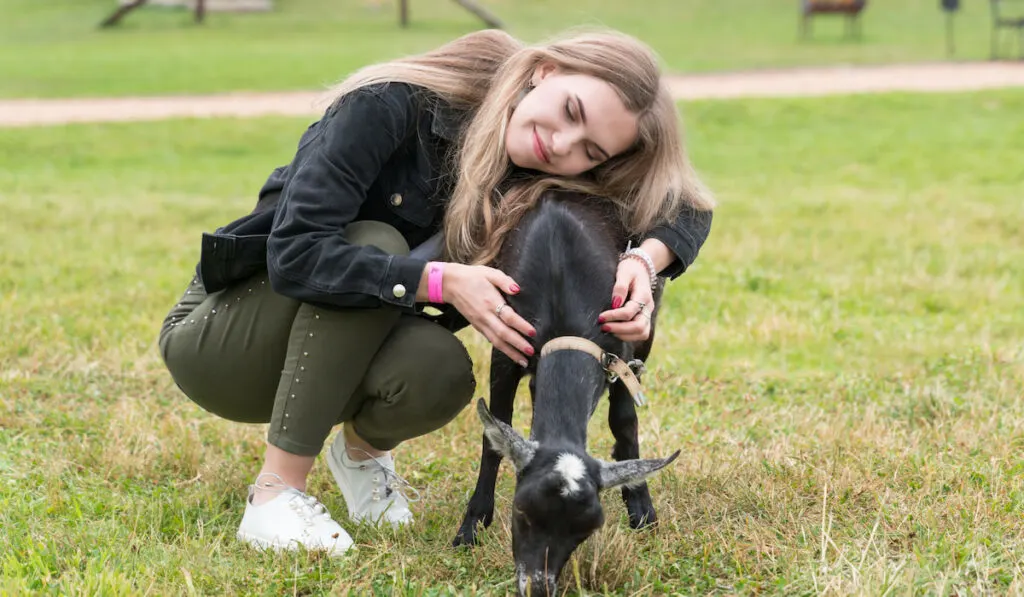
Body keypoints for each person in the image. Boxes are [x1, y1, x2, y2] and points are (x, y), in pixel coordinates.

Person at [157, 26, 714, 556]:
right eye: (571, 111)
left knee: (440, 369)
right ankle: (275, 493)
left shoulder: (540, 163)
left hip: (329, 356)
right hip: (221, 346)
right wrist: (441, 280)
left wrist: (646, 259)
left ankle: (360, 456)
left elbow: (686, 205)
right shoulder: (392, 104)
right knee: (376, 243)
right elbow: (296, 255)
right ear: (544, 71)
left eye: (591, 152)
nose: (563, 144)